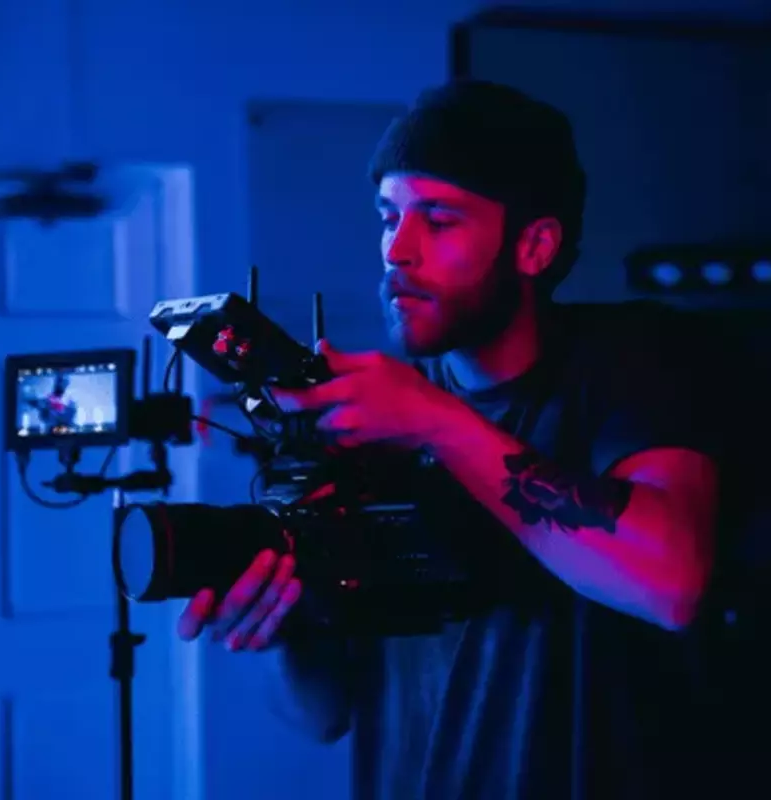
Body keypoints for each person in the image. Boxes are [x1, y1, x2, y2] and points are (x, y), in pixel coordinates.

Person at [178, 80, 723, 799]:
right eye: (388, 217)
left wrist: (435, 421)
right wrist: (281, 632)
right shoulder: (380, 421)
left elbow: (672, 582)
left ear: (533, 245)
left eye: (438, 220)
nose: (397, 250)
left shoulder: (629, 360)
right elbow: (323, 714)